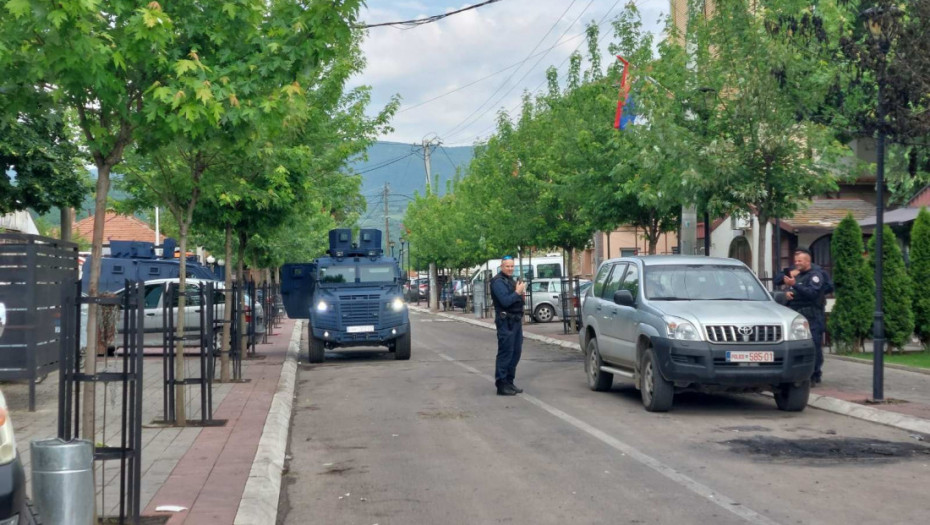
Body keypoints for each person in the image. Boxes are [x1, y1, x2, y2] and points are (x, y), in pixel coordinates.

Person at [775, 248, 829, 385]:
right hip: (796, 314)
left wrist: (795, 287)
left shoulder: (815, 275)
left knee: (814, 345)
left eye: (800, 261)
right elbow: (784, 284)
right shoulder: (796, 275)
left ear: (807, 261)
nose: (797, 263)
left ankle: (814, 375)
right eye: (796, 261)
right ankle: (801, 374)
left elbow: (812, 293)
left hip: (812, 315)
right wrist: (787, 293)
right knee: (798, 345)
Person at [490, 256, 526, 396]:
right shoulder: (498, 282)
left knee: (516, 352)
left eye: (512, 266)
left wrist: (519, 293)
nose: (510, 269)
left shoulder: (510, 280)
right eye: (507, 266)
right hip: (506, 322)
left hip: (516, 321)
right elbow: (505, 301)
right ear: (501, 266)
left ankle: (509, 382)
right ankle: (501, 384)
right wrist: (517, 292)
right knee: (506, 352)